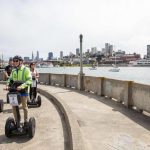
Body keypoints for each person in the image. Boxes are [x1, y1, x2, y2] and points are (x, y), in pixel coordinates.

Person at [6, 55, 32, 125]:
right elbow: (10, 79)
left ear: (21, 61)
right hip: (15, 91)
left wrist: (22, 86)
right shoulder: (13, 70)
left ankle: (26, 121)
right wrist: (7, 85)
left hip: (24, 91)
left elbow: (29, 80)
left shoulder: (26, 69)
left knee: (24, 107)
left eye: (16, 61)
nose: (14, 62)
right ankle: (17, 121)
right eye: (14, 61)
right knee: (14, 107)